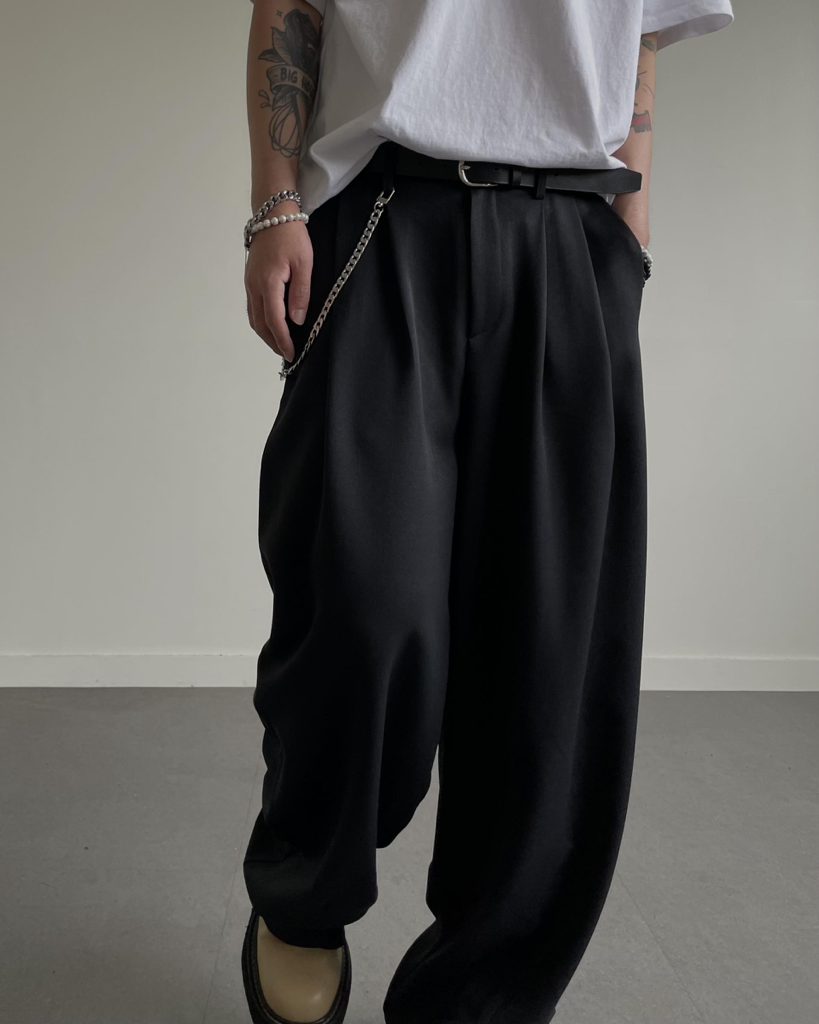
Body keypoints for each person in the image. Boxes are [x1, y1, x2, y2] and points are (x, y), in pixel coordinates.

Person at [239, 2, 734, 1023]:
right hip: (385, 212)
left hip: (574, 228)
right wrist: (275, 203)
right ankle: (305, 885)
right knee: (363, 605)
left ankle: (480, 997)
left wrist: (632, 219)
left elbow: (639, 30)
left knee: (547, 653)